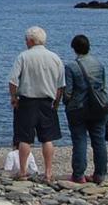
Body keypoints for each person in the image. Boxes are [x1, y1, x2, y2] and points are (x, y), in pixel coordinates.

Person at [7, 26, 65, 182]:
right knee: (47, 138)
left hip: (27, 101)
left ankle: (23, 171)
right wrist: (57, 103)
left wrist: (14, 98)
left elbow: (13, 80)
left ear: (31, 41)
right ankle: (48, 172)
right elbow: (60, 86)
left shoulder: (23, 57)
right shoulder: (55, 58)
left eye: (26, 40)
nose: (25, 42)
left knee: (24, 138)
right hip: (47, 100)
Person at [63, 34, 108, 183]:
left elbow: (68, 91)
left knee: (79, 140)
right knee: (99, 141)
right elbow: (102, 86)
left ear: (74, 49)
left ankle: (78, 175)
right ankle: (100, 174)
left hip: (78, 108)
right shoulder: (99, 64)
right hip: (99, 107)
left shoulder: (71, 66)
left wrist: (66, 103)